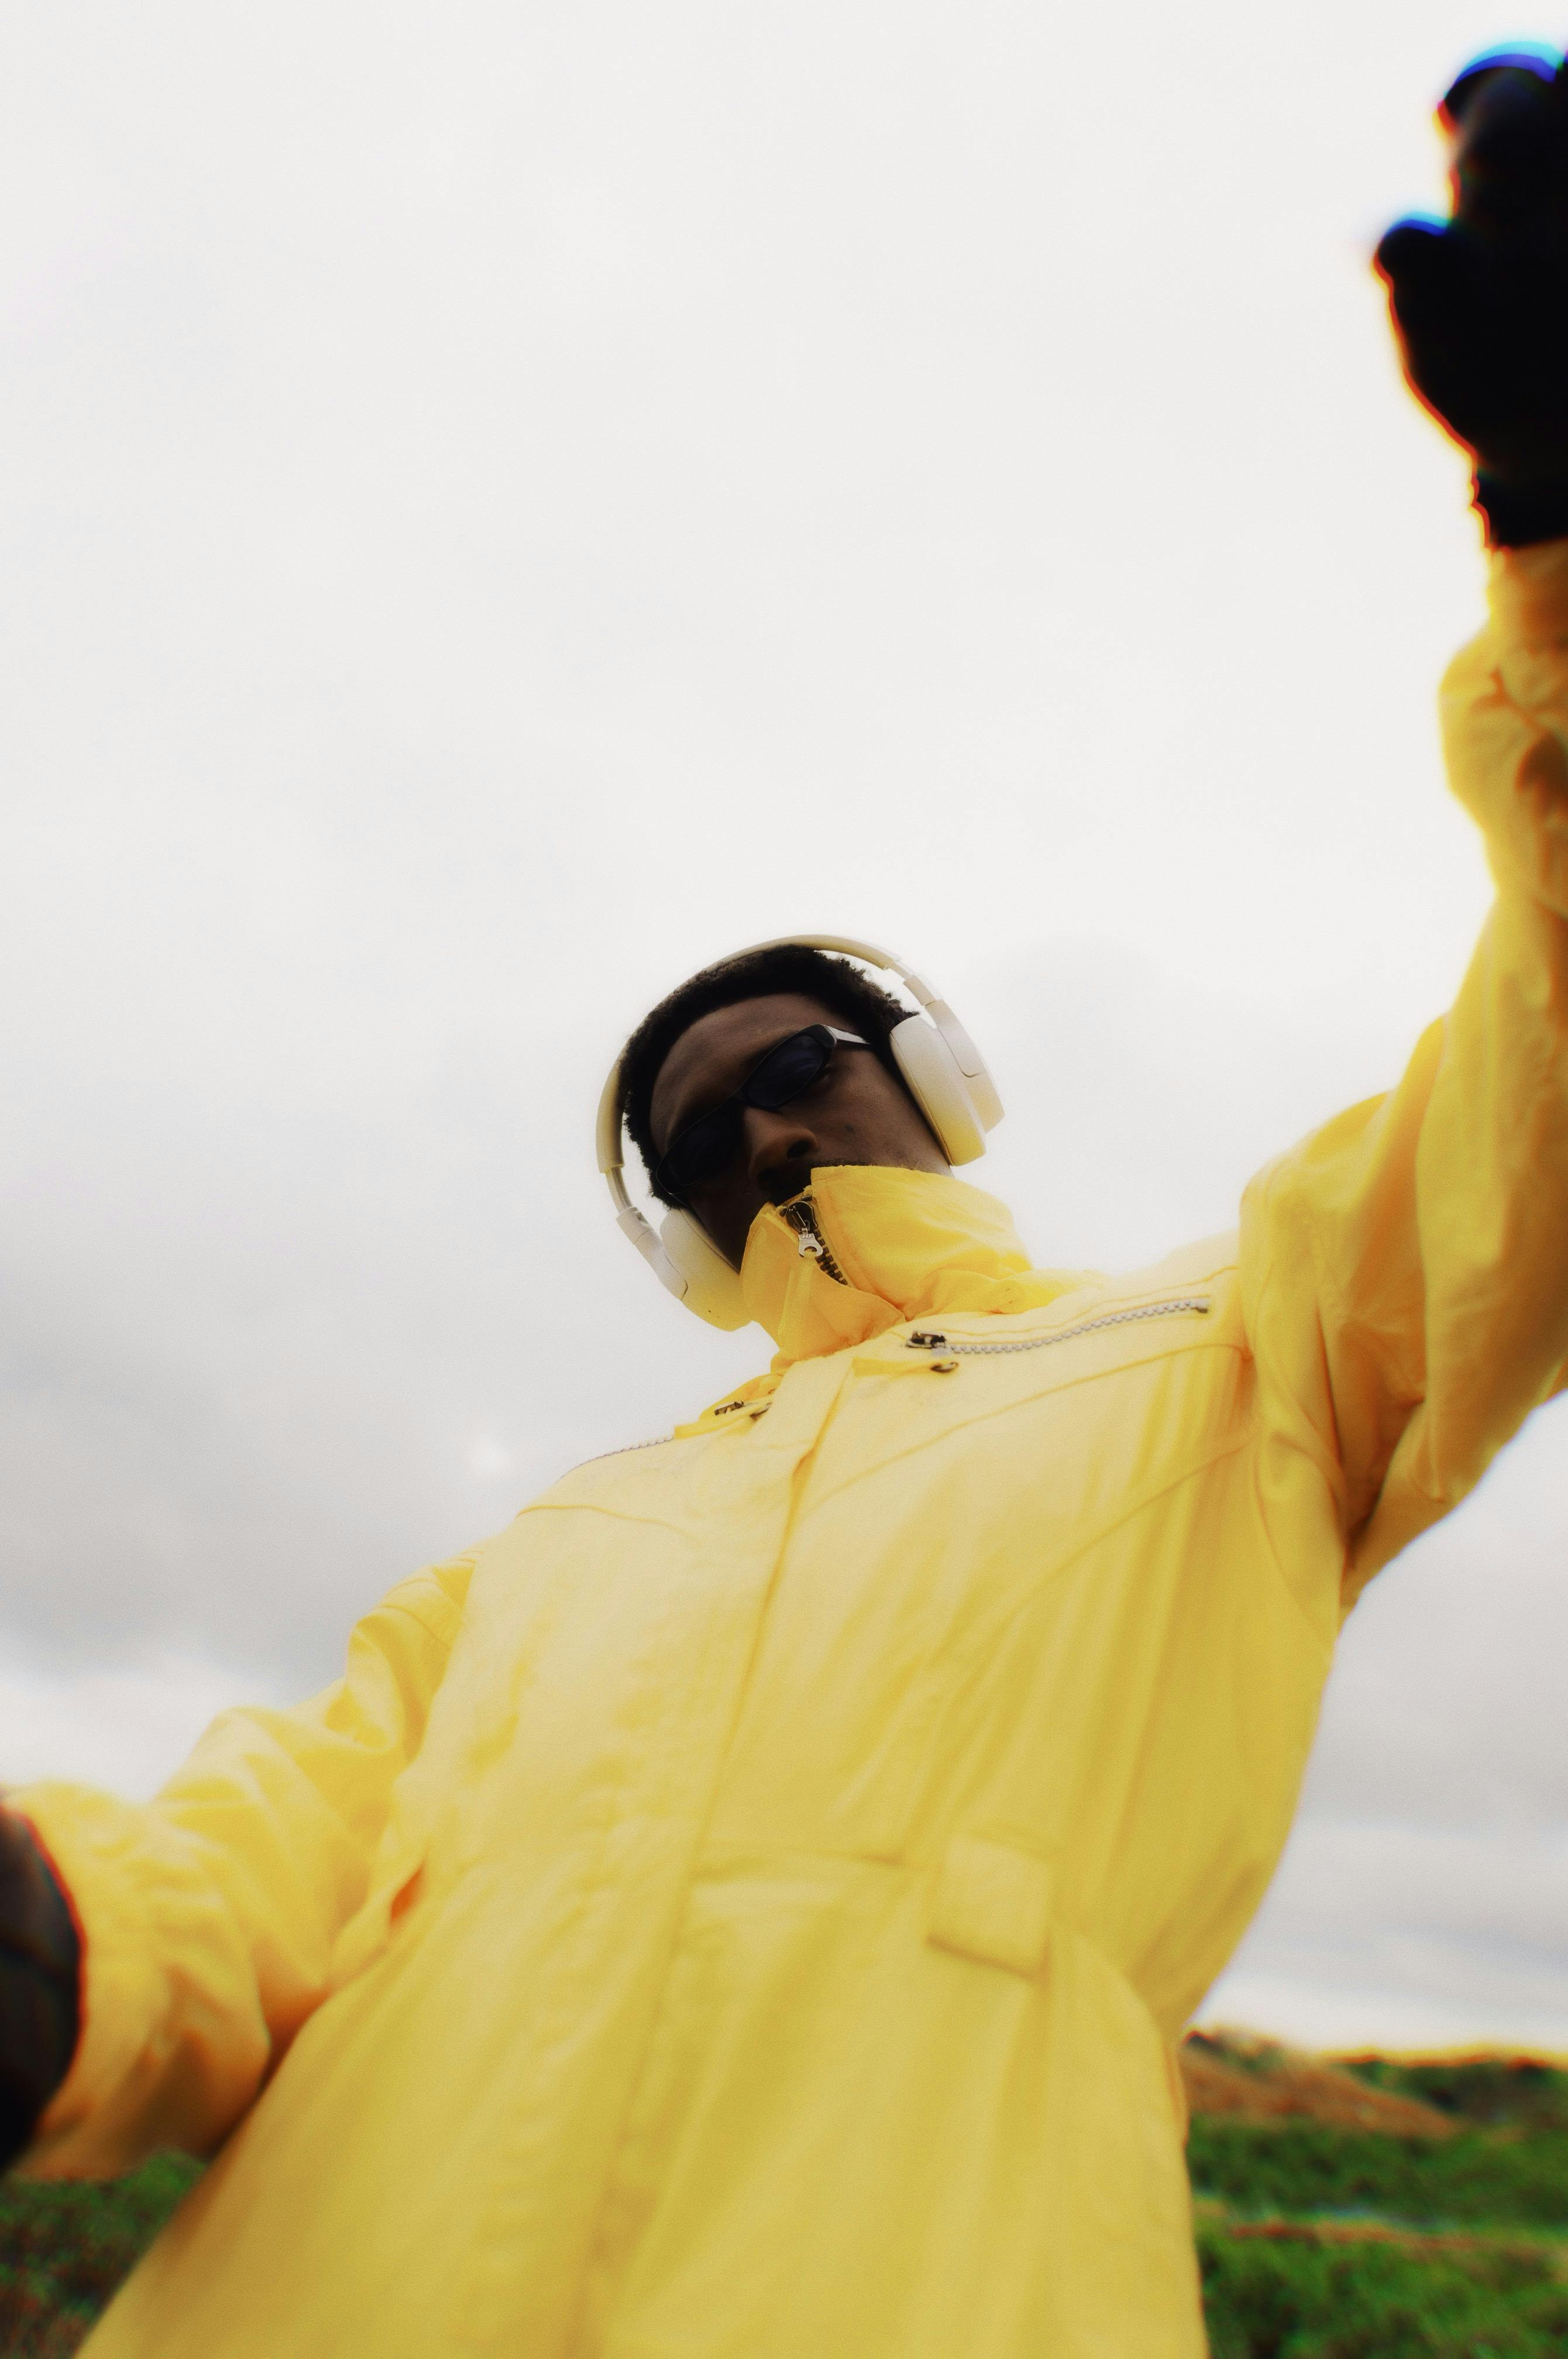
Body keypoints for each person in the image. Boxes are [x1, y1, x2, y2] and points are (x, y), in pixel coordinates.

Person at [4, 46, 1568, 2359]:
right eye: (685, 1128)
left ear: (938, 1082)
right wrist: (57, 1949)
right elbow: (264, 1871)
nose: (750, 1129)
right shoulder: (536, 1561)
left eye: (796, 1062)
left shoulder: (1236, 1357)